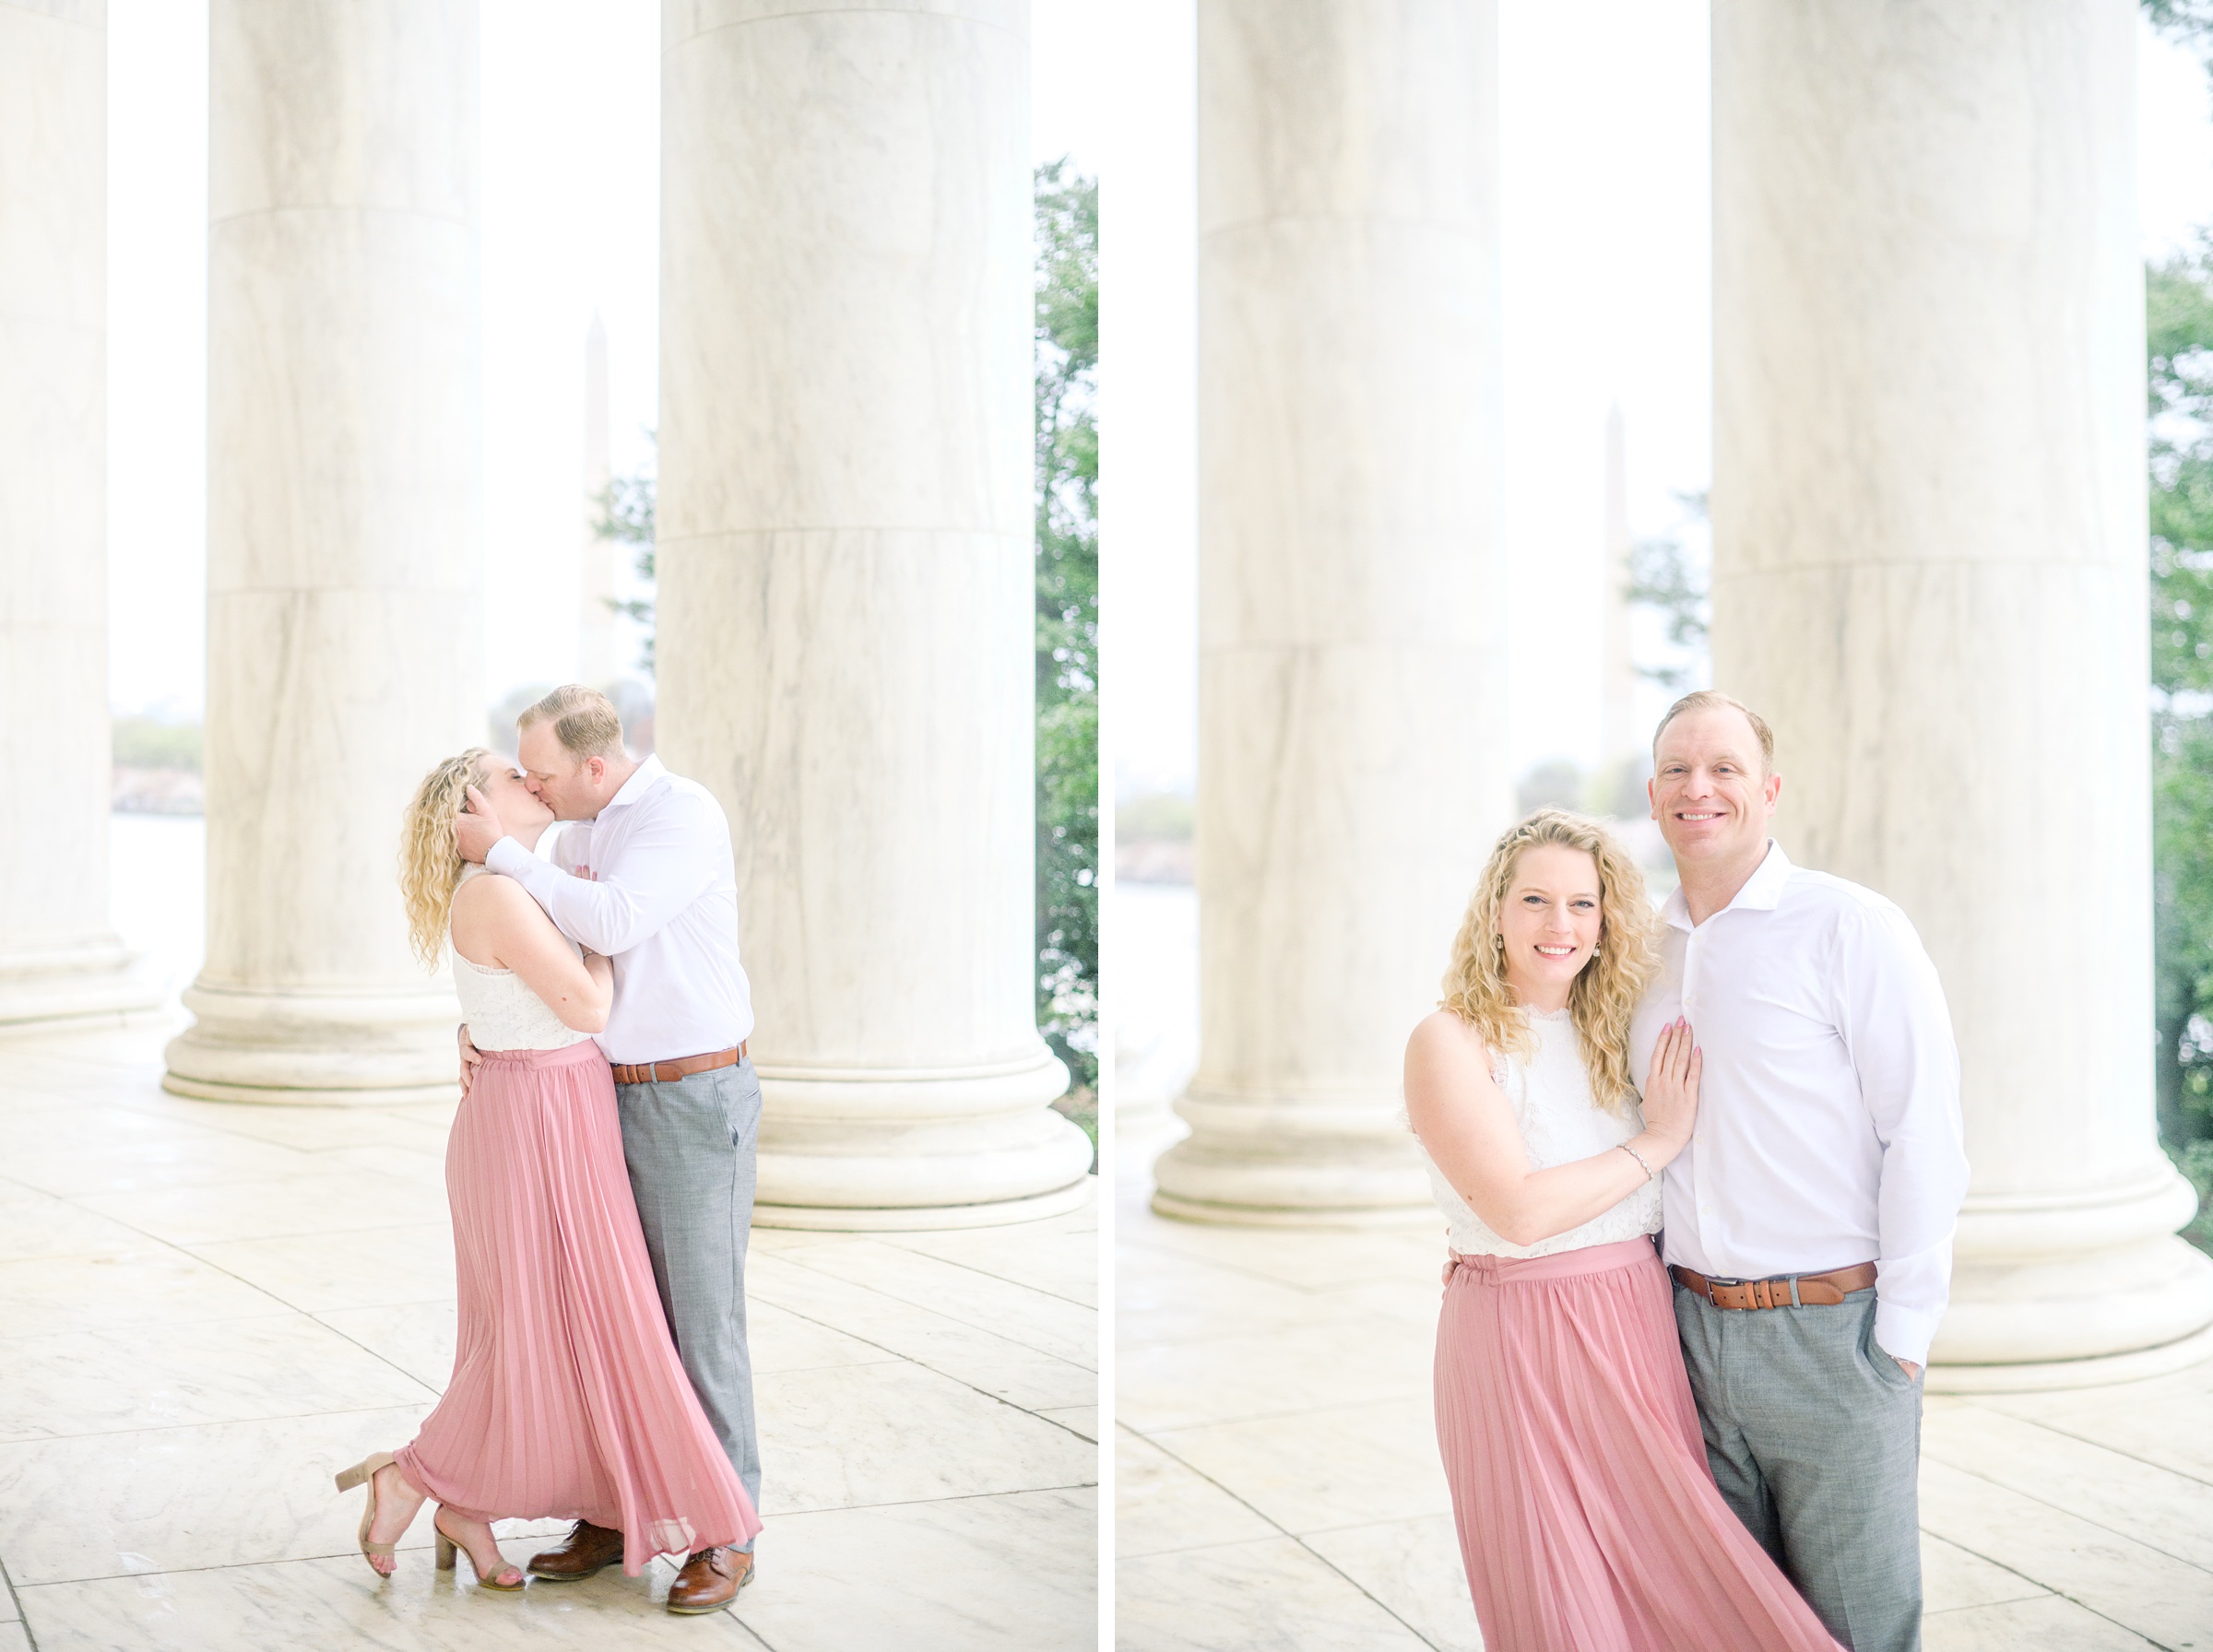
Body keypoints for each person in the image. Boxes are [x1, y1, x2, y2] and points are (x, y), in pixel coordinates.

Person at [1406, 808, 1844, 1652]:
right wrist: (1658, 1141)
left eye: (1582, 904)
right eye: (1535, 900)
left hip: (1638, 1327)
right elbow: (1520, 1210)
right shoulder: (1450, 1041)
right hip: (1521, 1338)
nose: (1559, 925)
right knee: (1562, 1600)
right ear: (1494, 911)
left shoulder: (1612, 1035)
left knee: (1684, 1581)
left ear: (1608, 922)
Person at [335, 748, 760, 1598]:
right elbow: (588, 1002)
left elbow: (540, 989)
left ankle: (709, 1527)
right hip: (542, 1117)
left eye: (535, 770)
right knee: (538, 1331)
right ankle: (432, 1480)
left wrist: (491, 1024)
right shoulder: (503, 885)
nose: (532, 783)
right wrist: (556, 982)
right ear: (471, 815)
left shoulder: (557, 859)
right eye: (510, 776)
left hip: (586, 1104)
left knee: (622, 1326)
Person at [1629, 690, 1970, 1652]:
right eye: (1678, 771)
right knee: (1725, 1622)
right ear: (1654, 797)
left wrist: (1898, 1341)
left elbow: (1927, 1133)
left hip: (1833, 1337)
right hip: (1684, 1332)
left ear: (1769, 791)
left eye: (1725, 768)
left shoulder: (1851, 926)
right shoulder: (1640, 953)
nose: (1700, 787)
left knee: (1857, 1625)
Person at [454, 684, 764, 1615]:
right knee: (612, 1322)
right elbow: (535, 961)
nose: (535, 790)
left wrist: (507, 852)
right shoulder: (575, 835)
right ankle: (615, 1509)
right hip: (596, 1101)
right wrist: (478, 1030)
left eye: (542, 772)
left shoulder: (681, 813)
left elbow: (615, 923)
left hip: (688, 1093)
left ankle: (729, 1529)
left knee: (698, 1321)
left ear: (595, 764)